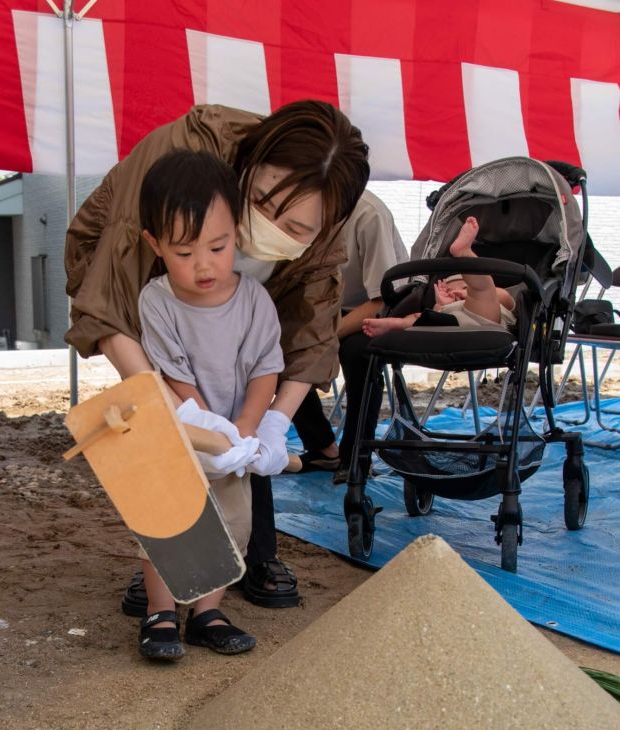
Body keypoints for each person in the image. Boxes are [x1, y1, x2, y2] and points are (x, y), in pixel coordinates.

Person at [64, 101, 370, 613]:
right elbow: (111, 304)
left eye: (296, 228)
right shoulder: (182, 156)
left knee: (236, 432)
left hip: (235, 312)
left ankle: (251, 554)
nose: (273, 227)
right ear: (247, 167)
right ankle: (166, 566)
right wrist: (177, 412)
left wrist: (273, 424)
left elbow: (310, 331)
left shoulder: (327, 225)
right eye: (263, 203)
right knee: (165, 432)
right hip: (144, 291)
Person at [136, 149, 285, 660]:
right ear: (154, 244)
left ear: (237, 235)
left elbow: (268, 367)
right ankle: (160, 612)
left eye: (217, 247)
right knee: (169, 521)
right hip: (180, 436)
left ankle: (206, 611)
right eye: (183, 252)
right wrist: (210, 427)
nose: (203, 264)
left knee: (232, 527)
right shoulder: (157, 301)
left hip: (233, 444)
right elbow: (174, 375)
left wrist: (246, 429)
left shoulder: (254, 301)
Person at [290, 189, 408, 484]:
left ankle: (357, 455)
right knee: (276, 347)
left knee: (359, 354)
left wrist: (328, 336)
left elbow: (382, 299)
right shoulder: (297, 206)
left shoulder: (370, 215)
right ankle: (322, 449)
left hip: (377, 307)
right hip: (325, 307)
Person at [362, 217, 516, 337]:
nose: (456, 293)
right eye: (449, 290)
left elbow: (503, 297)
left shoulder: (492, 299)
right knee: (421, 317)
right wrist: (441, 305)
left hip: (484, 323)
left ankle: (464, 253)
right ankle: (397, 323)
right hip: (450, 323)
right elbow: (434, 317)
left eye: (464, 286)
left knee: (482, 289)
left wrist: (469, 294)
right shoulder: (450, 306)